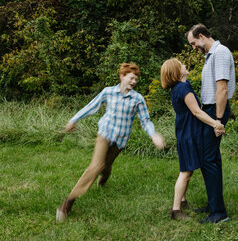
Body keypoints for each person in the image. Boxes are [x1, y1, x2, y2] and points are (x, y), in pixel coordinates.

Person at [56, 62, 165, 222]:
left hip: (120, 141)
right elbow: (91, 106)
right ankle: (68, 202)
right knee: (96, 166)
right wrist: (73, 120)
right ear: (122, 76)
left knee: (106, 166)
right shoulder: (109, 92)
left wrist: (153, 134)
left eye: (136, 79)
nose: (134, 81)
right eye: (131, 78)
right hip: (104, 134)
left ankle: (105, 176)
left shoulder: (137, 99)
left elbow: (145, 121)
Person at [160, 58, 225, 220]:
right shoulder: (182, 88)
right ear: (176, 72)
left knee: (187, 167)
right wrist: (215, 124)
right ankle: (176, 211)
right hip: (188, 133)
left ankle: (182, 201)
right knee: (186, 172)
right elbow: (196, 112)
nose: (185, 65)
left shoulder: (181, 86)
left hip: (186, 131)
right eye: (181, 64)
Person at [186, 23, 235, 223]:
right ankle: (213, 203)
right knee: (209, 159)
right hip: (210, 110)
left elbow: (222, 89)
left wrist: (217, 120)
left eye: (193, 43)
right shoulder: (210, 56)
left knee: (210, 160)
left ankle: (219, 212)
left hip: (215, 111)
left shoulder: (220, 53)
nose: (193, 47)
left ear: (201, 36)